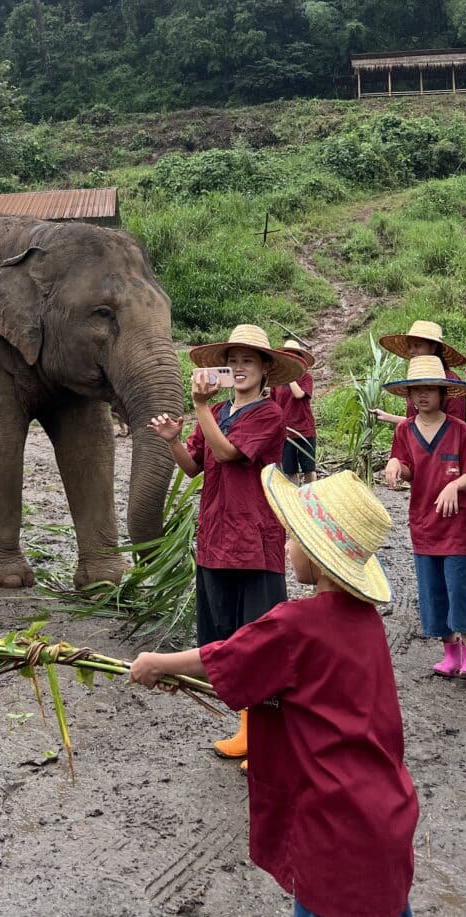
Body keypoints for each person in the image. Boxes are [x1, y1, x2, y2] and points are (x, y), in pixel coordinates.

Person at [130, 466, 418, 917]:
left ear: (319, 556)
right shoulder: (365, 621)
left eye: (294, 539)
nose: (286, 547)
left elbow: (225, 658)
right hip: (385, 810)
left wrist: (158, 663)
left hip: (333, 823)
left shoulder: (294, 623)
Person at [147, 323, 304, 764]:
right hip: (216, 538)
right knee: (229, 640)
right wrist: (175, 441)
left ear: (265, 370)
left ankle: (272, 737)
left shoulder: (269, 415)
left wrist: (199, 409)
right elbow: (195, 466)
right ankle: (249, 729)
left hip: (255, 542)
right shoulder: (216, 412)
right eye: (232, 361)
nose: (238, 368)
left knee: (262, 642)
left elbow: (231, 453)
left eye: (247, 362)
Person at [383, 354, 466, 678]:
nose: (423, 395)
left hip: (458, 526)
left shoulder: (460, 430)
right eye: (416, 390)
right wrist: (394, 466)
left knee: (460, 588)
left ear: (443, 393)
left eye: (430, 389)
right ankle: (450, 653)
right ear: (408, 395)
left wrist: (455, 486)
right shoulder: (404, 430)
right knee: (433, 591)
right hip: (423, 524)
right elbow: (406, 468)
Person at [372, 319, 466, 427]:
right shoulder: (413, 380)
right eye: (409, 346)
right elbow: (417, 422)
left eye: (417, 345)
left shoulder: (449, 382)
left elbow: (457, 428)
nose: (411, 351)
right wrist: (386, 416)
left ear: (433, 348)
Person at [271, 337, 317, 485]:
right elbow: (271, 402)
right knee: (291, 470)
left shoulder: (306, 378)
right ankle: (295, 500)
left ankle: (313, 499)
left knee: (309, 468)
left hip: (305, 429)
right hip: (285, 431)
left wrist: (290, 377)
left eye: (294, 357)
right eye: (287, 357)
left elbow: (299, 394)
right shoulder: (277, 382)